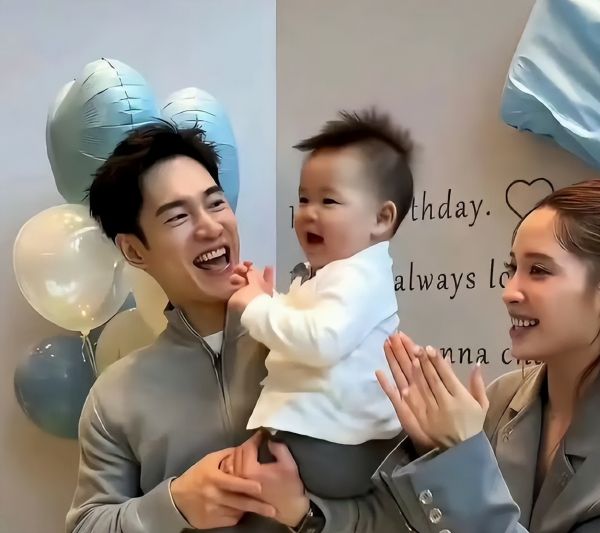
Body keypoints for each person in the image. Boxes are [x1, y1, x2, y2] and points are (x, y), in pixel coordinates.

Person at [65, 123, 402, 533]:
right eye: (178, 216)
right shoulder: (113, 398)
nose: (210, 226)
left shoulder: (330, 334)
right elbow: (87, 525)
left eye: (215, 203)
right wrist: (176, 504)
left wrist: (308, 518)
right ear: (135, 250)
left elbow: (405, 509)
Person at [373, 180, 600, 532]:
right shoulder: (500, 399)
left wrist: (462, 461)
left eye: (539, 270)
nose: (509, 292)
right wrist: (435, 454)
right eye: (512, 269)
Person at [224, 109, 412, 498]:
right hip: (329, 437)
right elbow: (308, 325)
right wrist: (269, 297)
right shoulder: (335, 273)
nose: (309, 213)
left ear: (381, 218)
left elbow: (322, 340)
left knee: (239, 474)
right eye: (303, 199)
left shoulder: (359, 276)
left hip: (340, 445)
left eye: (328, 200)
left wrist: (257, 307)